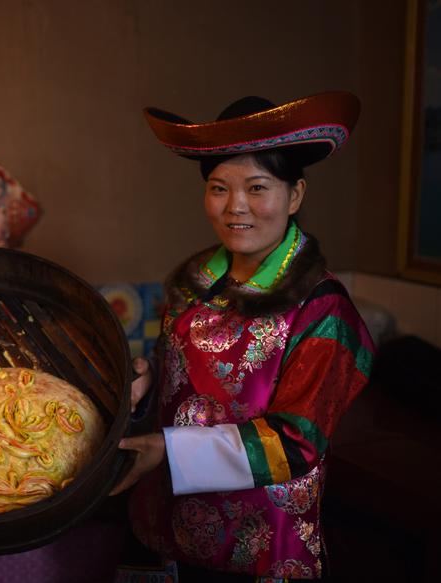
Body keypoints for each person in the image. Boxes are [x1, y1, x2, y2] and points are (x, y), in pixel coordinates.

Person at [110, 92, 374, 582]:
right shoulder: (192, 282)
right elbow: (182, 381)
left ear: (294, 195)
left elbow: (295, 445)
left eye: (257, 187)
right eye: (218, 188)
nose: (235, 208)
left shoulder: (324, 311)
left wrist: (164, 449)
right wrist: (146, 379)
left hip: (259, 544)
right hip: (165, 521)